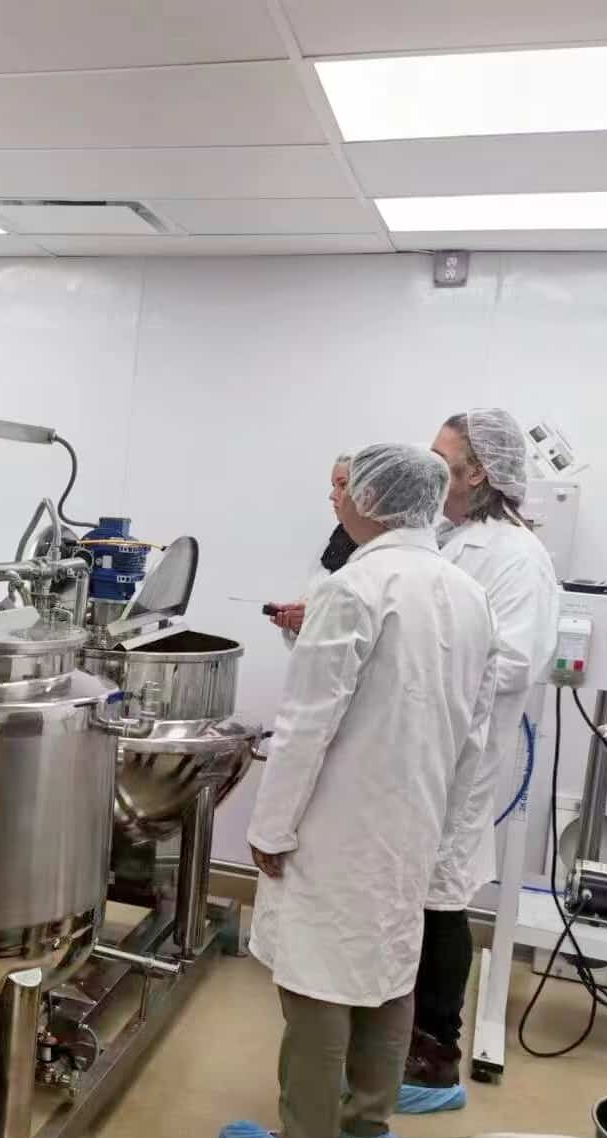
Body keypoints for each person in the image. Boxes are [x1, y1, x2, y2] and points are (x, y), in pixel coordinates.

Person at [221, 444, 498, 1138]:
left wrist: (269, 830)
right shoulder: (465, 594)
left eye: (343, 489)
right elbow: (475, 734)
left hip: (335, 824)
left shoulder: (351, 588)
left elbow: (306, 725)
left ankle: (306, 1129)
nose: (335, 499)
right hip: (416, 819)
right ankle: (366, 1125)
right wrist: (448, 831)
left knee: (316, 986)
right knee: (386, 974)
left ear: (369, 500)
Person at [398, 410, 561, 1114]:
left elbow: (515, 660)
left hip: (457, 755)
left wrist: (414, 666)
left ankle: (433, 1065)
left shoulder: (515, 556)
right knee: (418, 894)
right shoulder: (452, 536)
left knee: (440, 899)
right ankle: (397, 1047)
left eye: (444, 460)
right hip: (419, 746)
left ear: (481, 473)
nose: (432, 471)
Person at [268, 452, 355, 642]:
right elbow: (315, 600)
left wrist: (316, 619)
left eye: (343, 484)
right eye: (334, 486)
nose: (332, 496)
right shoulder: (334, 543)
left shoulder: (383, 555)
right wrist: (299, 622)